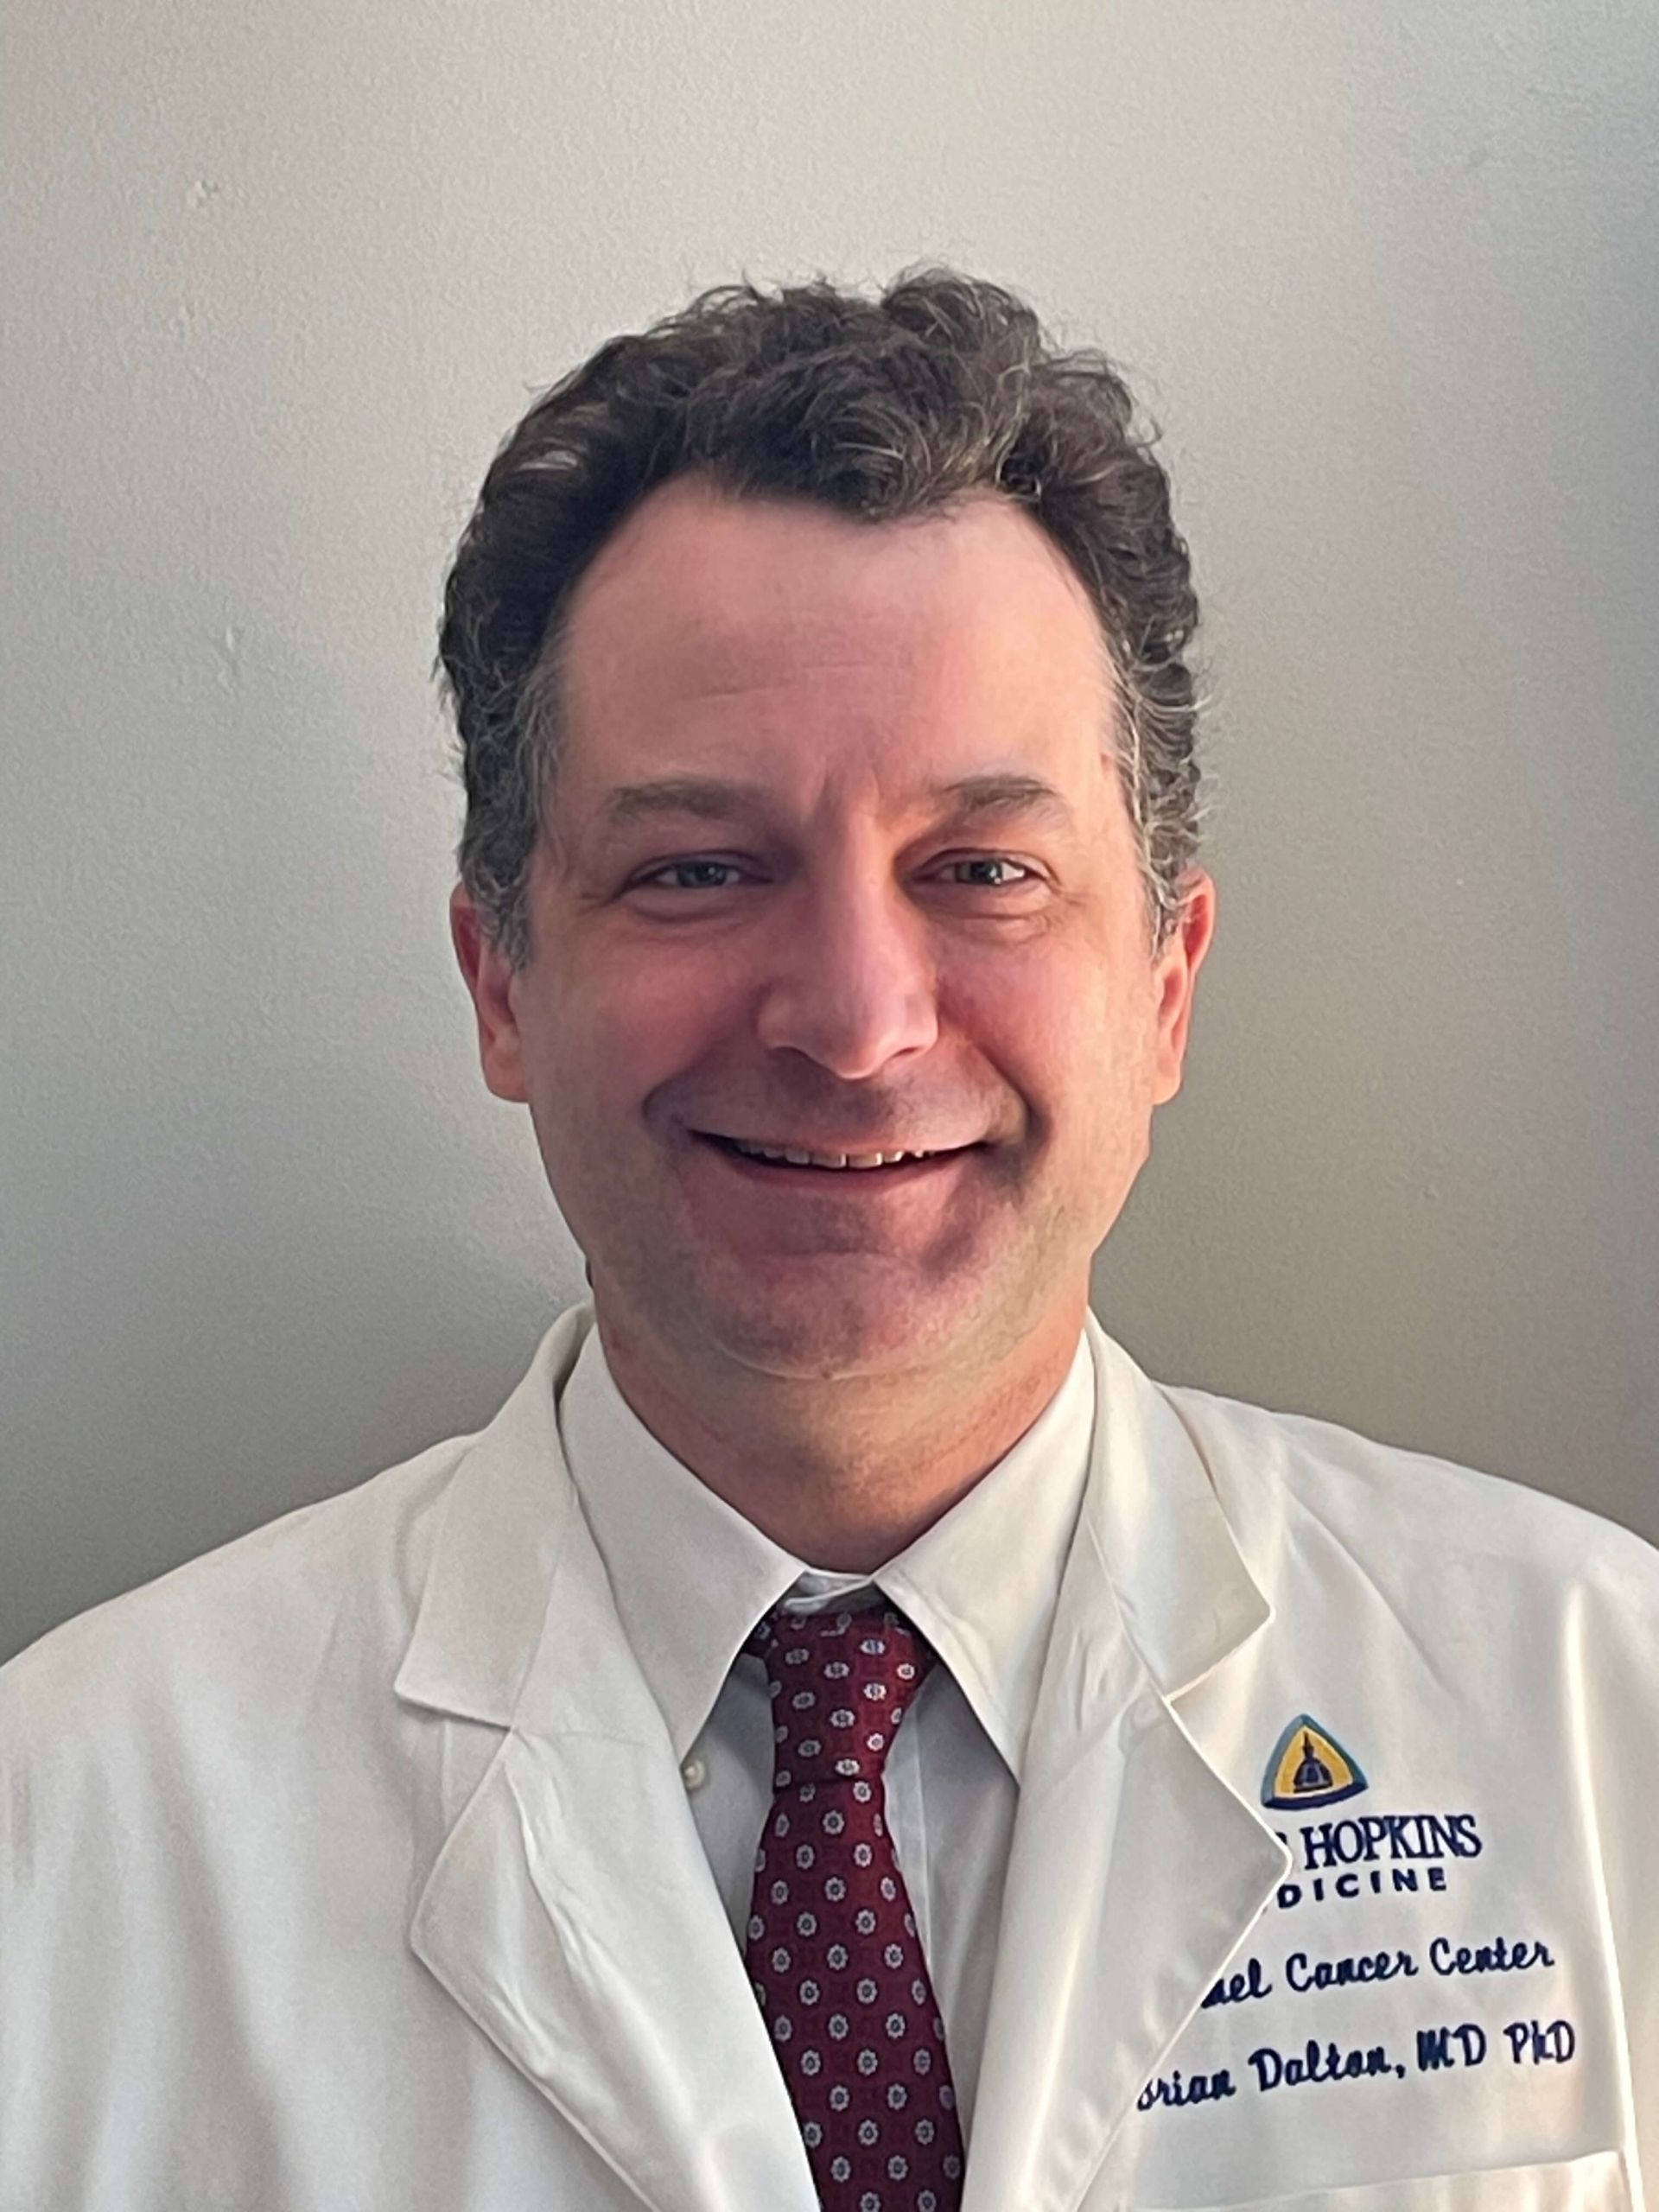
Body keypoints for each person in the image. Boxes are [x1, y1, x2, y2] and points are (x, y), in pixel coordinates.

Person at [2, 268, 1654, 2212]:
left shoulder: (1597, 1710)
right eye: (698, 868)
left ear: (1166, 989)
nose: (858, 1021)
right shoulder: (69, 1834)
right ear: (501, 982)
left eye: (984, 869)